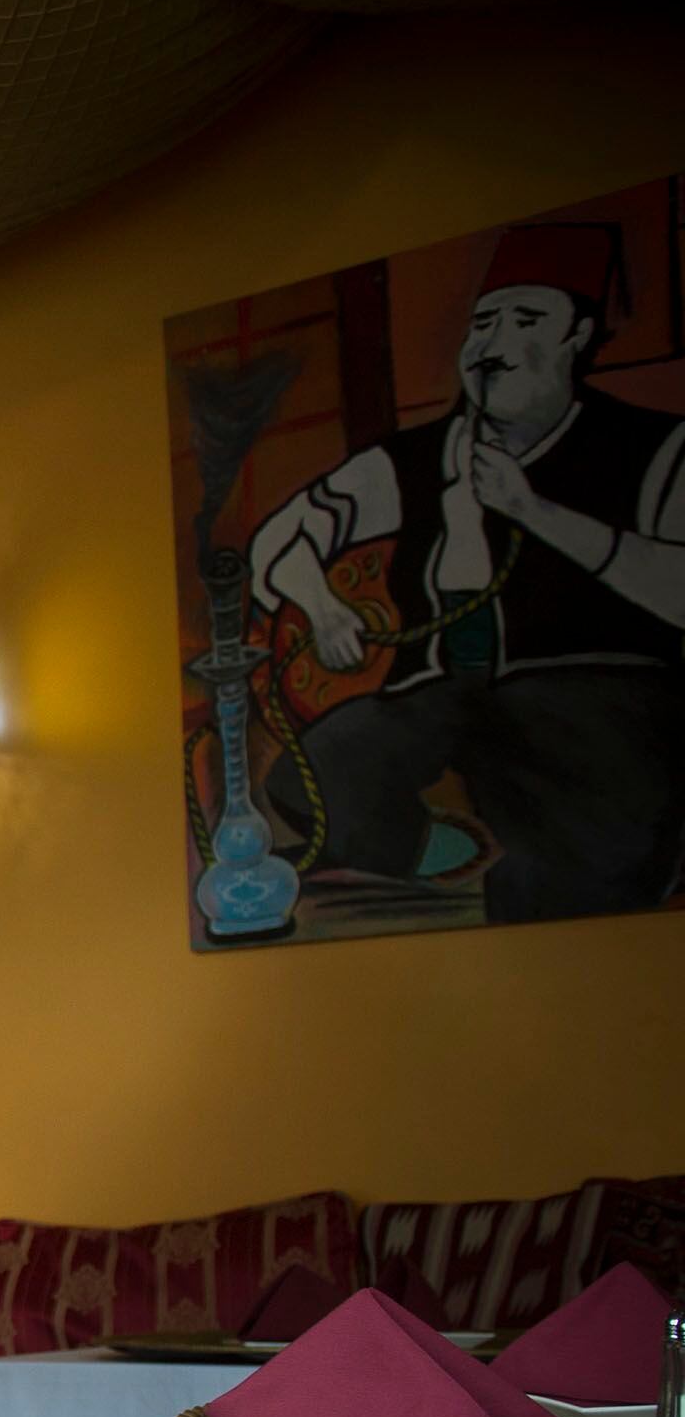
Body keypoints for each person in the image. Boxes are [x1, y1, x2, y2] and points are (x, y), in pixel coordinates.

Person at [247, 221, 685, 921]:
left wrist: (533, 511)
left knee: (588, 876)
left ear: (578, 336)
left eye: (527, 319)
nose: (494, 344)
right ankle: (434, 857)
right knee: (317, 779)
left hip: (600, 691)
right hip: (442, 689)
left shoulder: (656, 448)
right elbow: (278, 540)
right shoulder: (414, 459)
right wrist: (322, 605)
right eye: (485, 322)